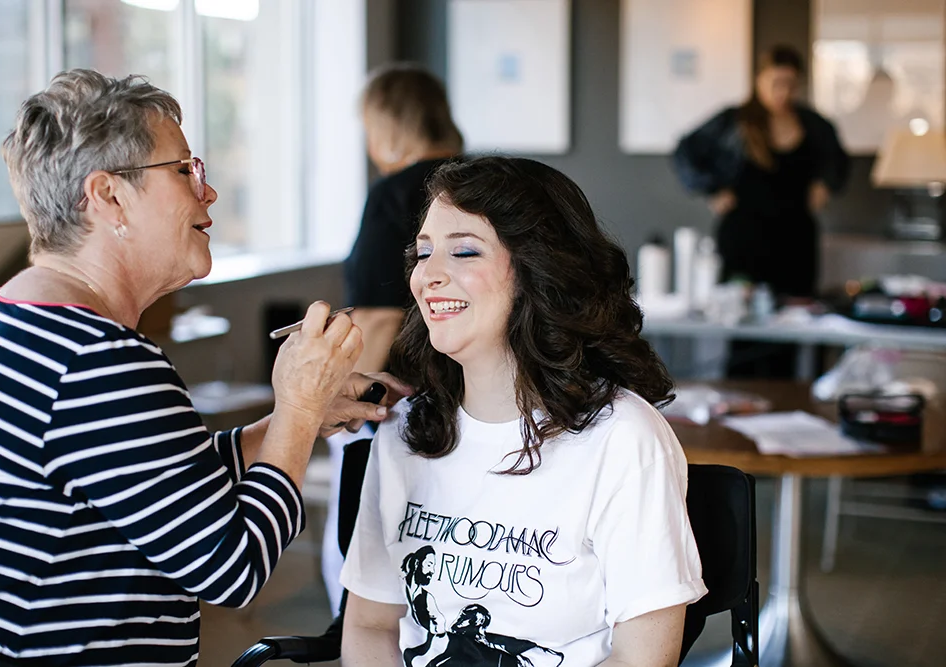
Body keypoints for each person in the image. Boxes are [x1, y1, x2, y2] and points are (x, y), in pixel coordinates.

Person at [0, 69, 407, 667]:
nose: (207, 192)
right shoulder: (100, 359)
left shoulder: (11, 315)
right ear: (109, 195)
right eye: (185, 170)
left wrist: (294, 419)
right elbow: (232, 567)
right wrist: (294, 410)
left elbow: (146, 481)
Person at [340, 157, 707, 667]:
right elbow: (370, 624)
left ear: (539, 269)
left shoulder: (624, 439)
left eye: (464, 251)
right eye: (423, 253)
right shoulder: (407, 431)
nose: (429, 276)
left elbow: (642, 660)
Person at [323, 63, 463, 614]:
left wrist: (351, 403)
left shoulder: (394, 195)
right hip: (475, 395)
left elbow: (381, 317)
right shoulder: (479, 184)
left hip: (398, 398)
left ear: (385, 127)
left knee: (365, 555)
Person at [674, 45, 850, 377]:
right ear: (759, 79)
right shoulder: (733, 121)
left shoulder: (813, 125)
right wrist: (712, 188)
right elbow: (685, 151)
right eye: (775, 82)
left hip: (795, 242)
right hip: (745, 241)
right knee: (745, 334)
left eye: (790, 84)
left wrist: (825, 184)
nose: (782, 92)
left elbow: (838, 163)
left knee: (791, 333)